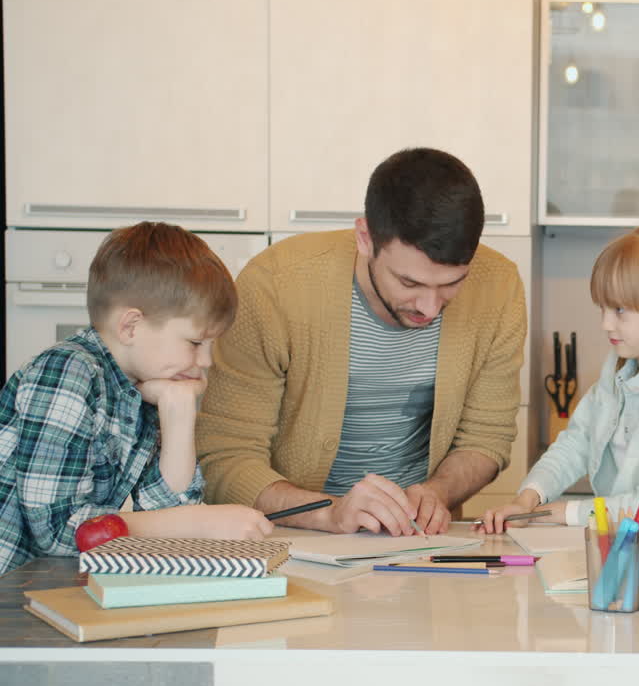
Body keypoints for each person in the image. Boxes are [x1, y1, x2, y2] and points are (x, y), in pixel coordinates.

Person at [196, 148, 526, 536]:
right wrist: (328, 514)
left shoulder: (499, 288)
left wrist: (438, 492)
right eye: (409, 283)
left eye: (452, 284)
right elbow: (226, 455)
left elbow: (486, 437)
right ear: (365, 238)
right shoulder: (274, 287)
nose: (430, 307)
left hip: (417, 542)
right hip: (292, 536)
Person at [0, 222, 272, 574]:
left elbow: (159, 513)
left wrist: (178, 417)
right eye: (194, 343)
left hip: (43, 587)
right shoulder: (70, 371)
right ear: (130, 326)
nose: (206, 362)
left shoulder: (145, 388)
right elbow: (56, 533)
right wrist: (197, 523)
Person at [481, 221, 639, 533]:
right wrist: (529, 496)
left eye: (620, 310)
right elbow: (577, 443)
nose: (606, 323)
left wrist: (568, 513)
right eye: (603, 308)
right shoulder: (621, 371)